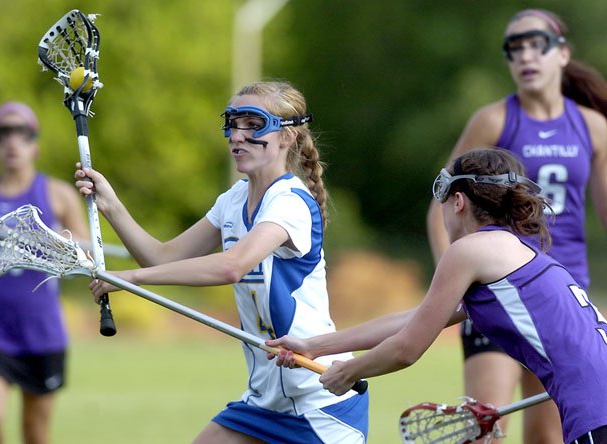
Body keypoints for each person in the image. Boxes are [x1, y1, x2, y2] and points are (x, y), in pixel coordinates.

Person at [74, 80, 369, 443]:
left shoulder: (290, 201)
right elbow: (162, 256)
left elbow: (232, 266)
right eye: (232, 123)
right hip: (264, 403)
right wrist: (112, 206)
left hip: (319, 402)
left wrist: (133, 278)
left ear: (287, 137)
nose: (237, 135)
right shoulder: (233, 200)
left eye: (253, 124)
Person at [269, 147, 607, 444]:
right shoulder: (516, 254)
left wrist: (350, 372)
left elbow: (406, 349)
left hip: (595, 413)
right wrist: (316, 345)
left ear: (457, 201)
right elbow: (411, 321)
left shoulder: (468, 251)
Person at [426, 9, 607, 443]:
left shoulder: (593, 127)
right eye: (514, 47)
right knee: (484, 429)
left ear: (561, 54)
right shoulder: (495, 120)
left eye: (536, 44)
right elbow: (440, 205)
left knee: (547, 438)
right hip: (497, 288)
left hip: (561, 301)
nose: (525, 55)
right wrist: (452, 280)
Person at [0, 101, 88, 444]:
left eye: (22, 134)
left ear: (35, 145)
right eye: (3, 133)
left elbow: (86, 256)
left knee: (35, 434)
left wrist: (55, 243)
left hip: (42, 332)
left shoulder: (58, 195)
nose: (13, 142)